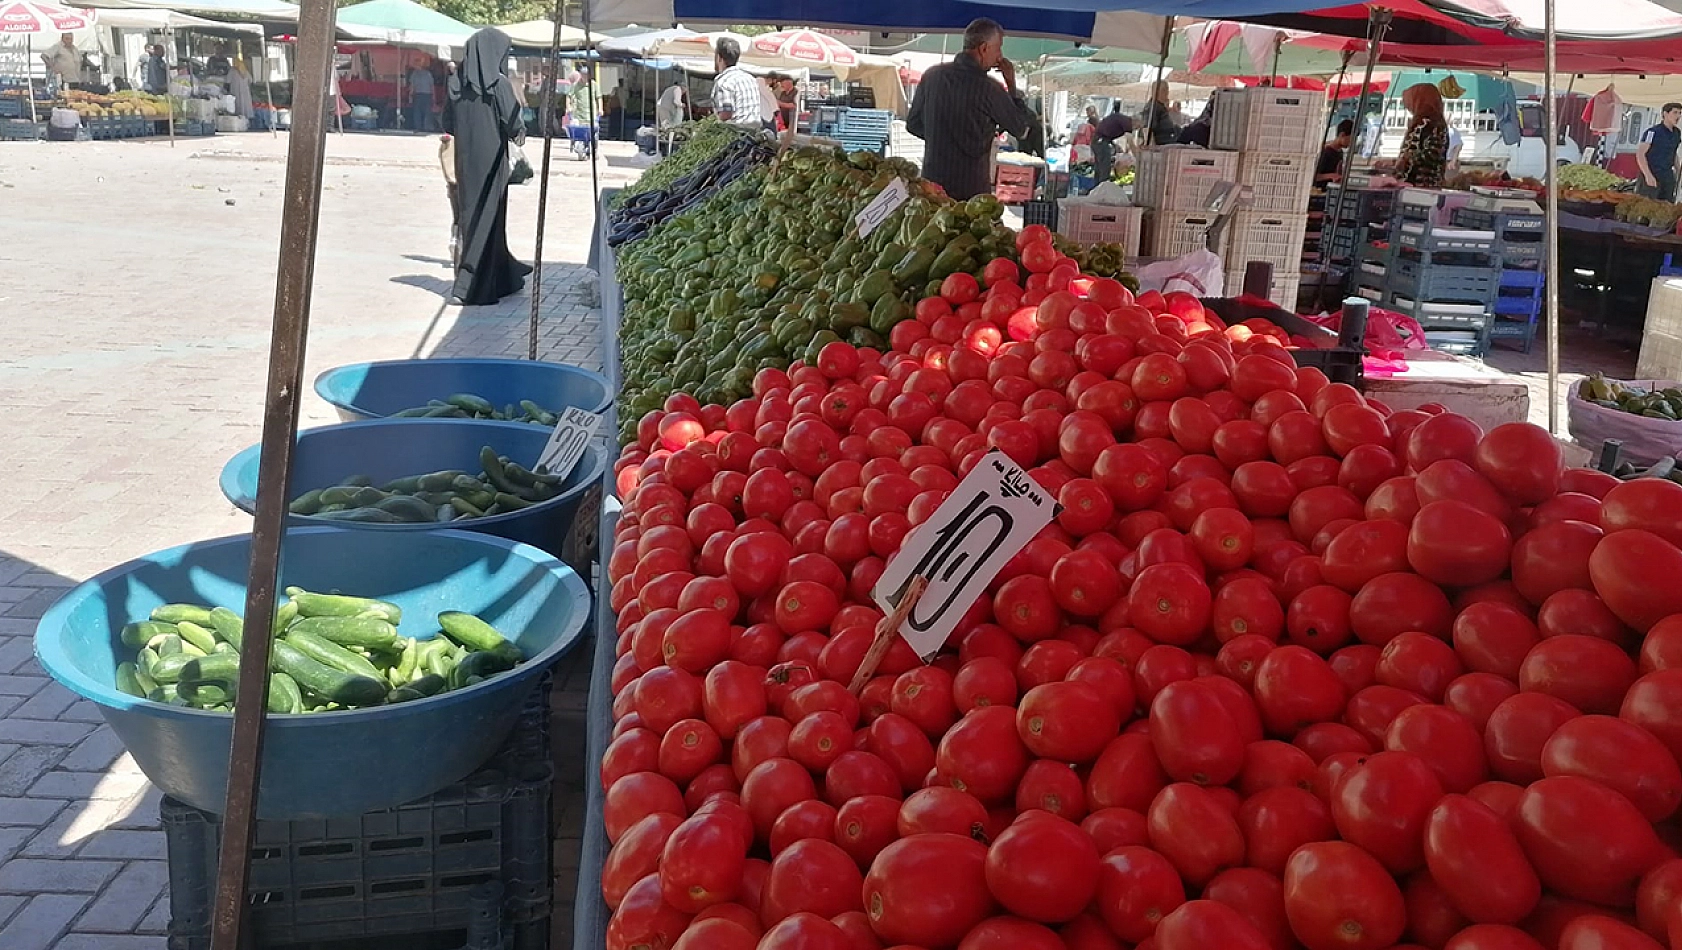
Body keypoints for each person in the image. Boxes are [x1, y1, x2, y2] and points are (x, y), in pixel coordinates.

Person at [442, 28, 531, 306]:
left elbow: (446, 123)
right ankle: (469, 287)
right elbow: (514, 124)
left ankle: (505, 277)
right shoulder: (499, 85)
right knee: (487, 220)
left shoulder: (456, 83)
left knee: (473, 217)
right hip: (492, 163)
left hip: (465, 163)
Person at [906, 18, 1033, 201]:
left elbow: (912, 124)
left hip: (932, 187)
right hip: (971, 195)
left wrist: (941, 140)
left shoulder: (932, 76)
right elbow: (1021, 129)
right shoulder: (990, 89)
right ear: (983, 49)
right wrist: (1012, 85)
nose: (1000, 56)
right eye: (998, 48)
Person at [1394, 82, 1450, 187]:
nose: (1408, 107)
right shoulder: (1438, 123)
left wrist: (1403, 161)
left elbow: (1426, 155)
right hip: (1430, 185)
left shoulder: (1425, 123)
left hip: (1417, 185)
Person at [710, 37, 763, 128]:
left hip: (735, 137)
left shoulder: (724, 83)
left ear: (719, 58)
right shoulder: (750, 79)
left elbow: (726, 114)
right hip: (755, 135)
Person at [1637, 103, 1682, 201]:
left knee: (1667, 205)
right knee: (1648, 205)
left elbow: (1674, 153)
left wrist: (1679, 172)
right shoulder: (1652, 132)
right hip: (1652, 173)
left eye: (1680, 113)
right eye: (1675, 112)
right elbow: (1640, 154)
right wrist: (1648, 175)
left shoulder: (1677, 133)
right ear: (1665, 114)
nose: (1678, 116)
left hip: (1668, 175)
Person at [1092, 104, 1132, 183]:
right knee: (1104, 168)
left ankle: (1097, 188)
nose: (1137, 128)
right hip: (1101, 143)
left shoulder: (1118, 118)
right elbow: (1130, 139)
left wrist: (1114, 144)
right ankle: (1103, 188)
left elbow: (1107, 132)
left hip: (1098, 141)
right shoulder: (1126, 122)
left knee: (1099, 168)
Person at [1138, 81, 1180, 146]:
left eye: (1167, 90)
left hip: (1169, 143)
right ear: (1156, 91)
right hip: (1162, 146)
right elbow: (1148, 129)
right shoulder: (1153, 108)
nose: (1167, 92)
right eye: (1164, 90)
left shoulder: (1159, 106)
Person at [409, 62, 435, 132]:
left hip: (424, 94)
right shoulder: (417, 74)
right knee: (420, 112)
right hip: (421, 94)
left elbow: (431, 86)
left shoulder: (423, 74)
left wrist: (410, 95)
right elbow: (412, 86)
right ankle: (421, 127)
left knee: (422, 111)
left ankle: (423, 127)